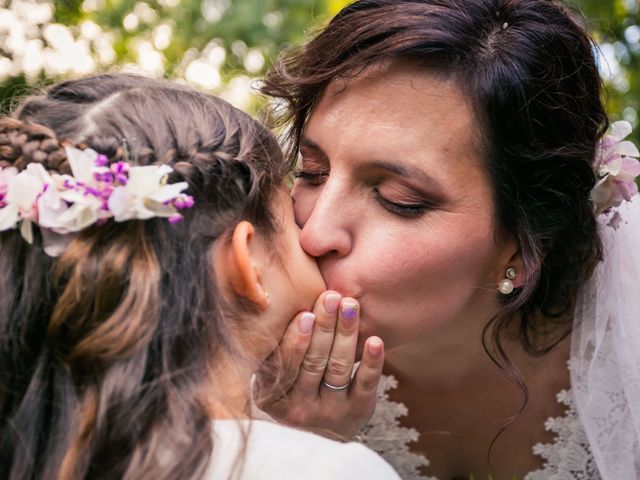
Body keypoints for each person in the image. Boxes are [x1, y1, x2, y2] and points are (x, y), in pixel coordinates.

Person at [257, 0, 640, 478]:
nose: (313, 234)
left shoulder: (628, 361)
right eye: (312, 172)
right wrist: (302, 452)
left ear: (525, 242)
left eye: (399, 199)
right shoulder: (248, 362)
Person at [0, 74, 400, 479]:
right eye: (293, 218)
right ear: (249, 264)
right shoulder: (329, 469)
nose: (314, 235)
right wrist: (318, 447)